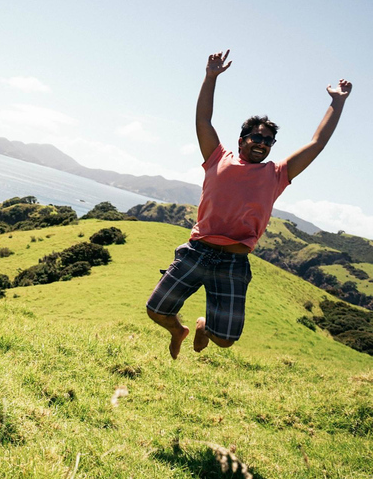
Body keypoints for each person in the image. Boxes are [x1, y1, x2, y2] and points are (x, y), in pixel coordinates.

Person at [146, 50, 353, 359]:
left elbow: (317, 143)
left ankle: (204, 326)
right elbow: (203, 119)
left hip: (233, 262)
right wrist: (210, 77)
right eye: (256, 136)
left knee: (225, 340)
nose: (262, 143)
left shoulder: (277, 174)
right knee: (156, 310)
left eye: (268, 141)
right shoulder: (217, 158)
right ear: (241, 139)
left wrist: (337, 103)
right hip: (197, 250)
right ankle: (179, 330)